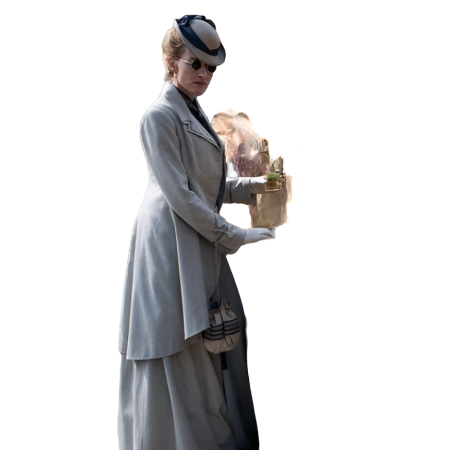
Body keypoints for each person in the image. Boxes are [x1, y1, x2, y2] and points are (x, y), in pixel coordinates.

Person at [118, 15, 275, 450]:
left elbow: (209, 186)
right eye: (196, 64)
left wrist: (255, 187)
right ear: (172, 62)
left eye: (210, 67)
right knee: (180, 343)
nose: (204, 74)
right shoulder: (158, 116)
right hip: (167, 242)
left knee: (217, 334)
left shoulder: (192, 109)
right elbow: (181, 196)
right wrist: (233, 236)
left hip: (195, 234)